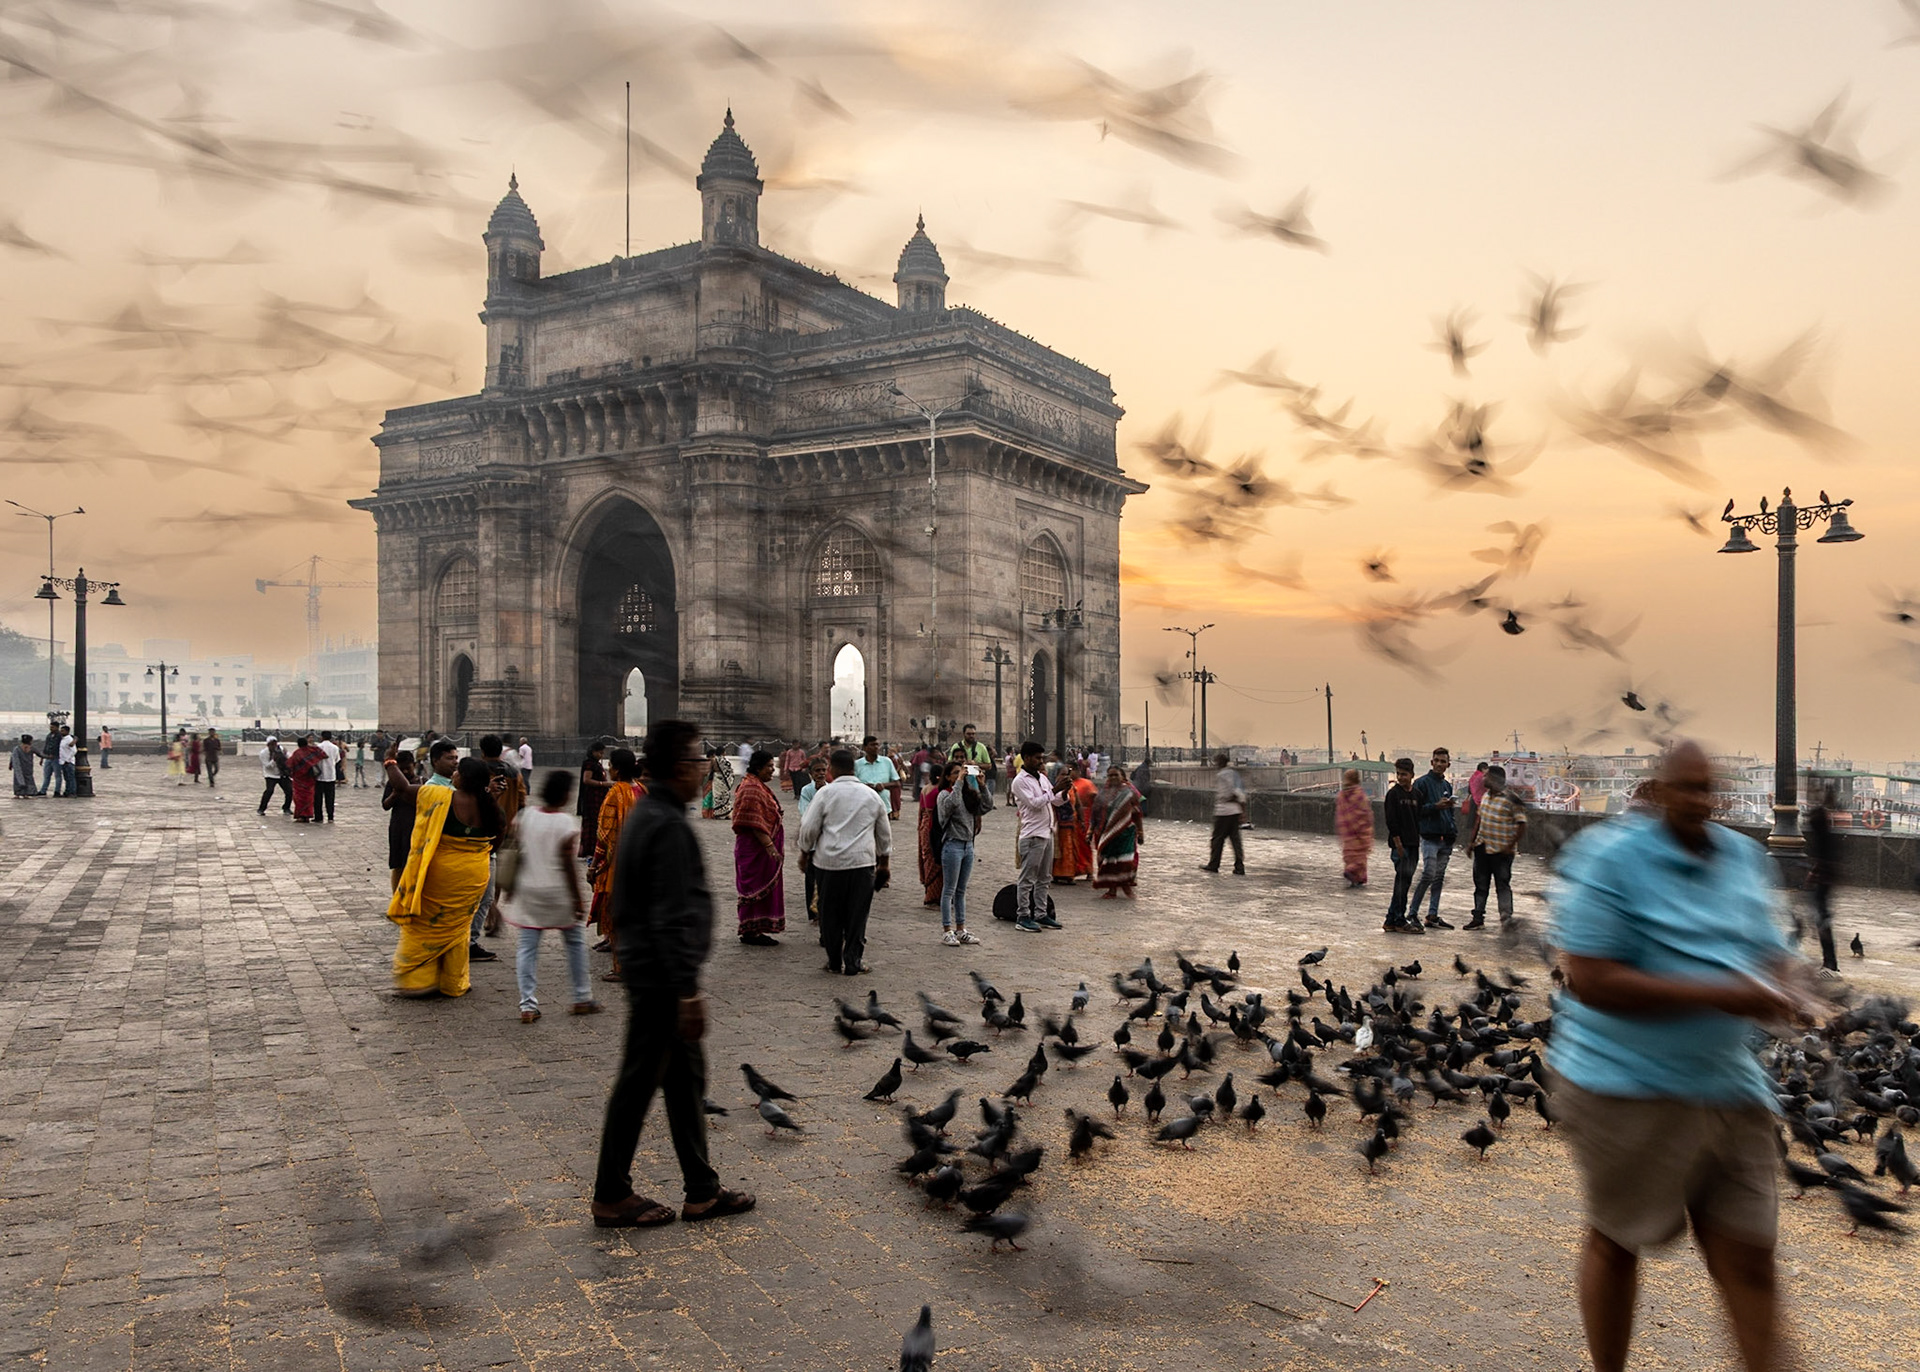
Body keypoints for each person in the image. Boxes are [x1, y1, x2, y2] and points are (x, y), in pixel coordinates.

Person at [1548, 740, 1817, 1372]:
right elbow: (1590, 979)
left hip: (1727, 1086)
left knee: (1749, 1258)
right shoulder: (1607, 859)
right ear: (1659, 792)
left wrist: (1792, 988)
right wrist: (1729, 994)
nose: (1700, 800)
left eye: (1707, 788)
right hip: (1622, 1086)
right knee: (1618, 1241)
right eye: (1686, 787)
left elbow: (1768, 952)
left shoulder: (1744, 859)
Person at [591, 718, 756, 1229]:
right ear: (676, 767)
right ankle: (611, 1193)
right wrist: (686, 988)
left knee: (686, 1082)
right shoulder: (663, 823)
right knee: (638, 1083)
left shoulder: (654, 813)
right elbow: (667, 914)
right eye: (698, 759)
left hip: (654, 971)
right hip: (662, 979)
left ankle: (702, 1190)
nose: (705, 768)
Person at [384, 754, 504, 999]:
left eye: (458, 770)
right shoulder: (490, 805)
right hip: (475, 874)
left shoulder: (441, 797)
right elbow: (497, 840)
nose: (455, 773)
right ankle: (452, 980)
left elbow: (402, 788)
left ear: (464, 778)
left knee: (423, 925)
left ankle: (418, 980)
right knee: (458, 929)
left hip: (443, 873)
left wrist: (390, 763)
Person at [504, 769, 597, 1024]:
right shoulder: (565, 823)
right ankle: (581, 997)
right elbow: (567, 865)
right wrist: (577, 899)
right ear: (566, 794)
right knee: (575, 943)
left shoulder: (526, 816)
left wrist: (510, 886)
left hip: (529, 890)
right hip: (558, 892)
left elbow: (513, 851)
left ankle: (527, 1005)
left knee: (527, 949)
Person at [797, 747, 891, 975]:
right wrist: (884, 863)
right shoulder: (870, 795)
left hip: (829, 863)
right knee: (857, 914)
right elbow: (884, 833)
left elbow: (809, 828)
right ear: (854, 767)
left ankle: (833, 961)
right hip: (862, 863)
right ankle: (853, 960)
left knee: (830, 914)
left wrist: (804, 852)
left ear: (832, 769)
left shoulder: (825, 794)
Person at [589, 748, 646, 979]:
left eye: (610, 765)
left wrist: (594, 866)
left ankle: (621, 967)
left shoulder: (615, 794)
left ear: (618, 768)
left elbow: (605, 835)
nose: (607, 769)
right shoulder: (642, 789)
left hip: (619, 866)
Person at [731, 749, 787, 946]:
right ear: (758, 767)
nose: (772, 770)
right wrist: (770, 847)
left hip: (758, 849)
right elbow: (752, 821)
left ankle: (757, 928)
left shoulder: (756, 785)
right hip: (755, 850)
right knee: (753, 888)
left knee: (759, 889)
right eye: (769, 767)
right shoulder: (751, 789)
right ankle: (751, 931)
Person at [1464, 764, 1526, 928]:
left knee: (1502, 885)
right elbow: (1479, 819)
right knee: (1480, 884)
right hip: (1482, 847)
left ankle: (1506, 918)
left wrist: (1510, 846)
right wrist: (1471, 842)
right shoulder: (1485, 797)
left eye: (1486, 776)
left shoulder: (1512, 799)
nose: (1483, 778)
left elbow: (1521, 824)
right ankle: (1478, 917)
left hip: (1502, 851)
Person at [1009, 741, 1060, 933]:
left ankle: (1041, 913)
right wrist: (1054, 791)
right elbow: (1035, 803)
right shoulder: (1019, 781)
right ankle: (1022, 915)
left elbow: (1055, 799)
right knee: (1028, 878)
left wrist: (1064, 790)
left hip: (1046, 833)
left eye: (1042, 757)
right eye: (1038, 758)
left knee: (1044, 877)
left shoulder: (1042, 778)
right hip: (1032, 835)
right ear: (1027, 758)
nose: (1041, 761)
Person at [935, 759, 986, 944]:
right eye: (956, 772)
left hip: (968, 845)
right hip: (952, 845)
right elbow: (951, 806)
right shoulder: (944, 795)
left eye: (962, 772)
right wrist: (958, 783)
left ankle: (961, 928)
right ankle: (947, 929)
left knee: (961, 890)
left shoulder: (968, 794)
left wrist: (982, 786)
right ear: (948, 777)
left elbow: (986, 806)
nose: (960, 775)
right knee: (949, 889)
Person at [1408, 747, 1457, 929]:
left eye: (1442, 761)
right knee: (1428, 874)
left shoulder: (1446, 785)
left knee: (1439, 877)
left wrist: (1452, 828)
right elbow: (1416, 811)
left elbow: (1451, 811)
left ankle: (1432, 914)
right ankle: (1412, 913)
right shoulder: (1421, 784)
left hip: (1446, 837)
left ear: (1447, 765)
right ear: (1431, 762)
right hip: (1429, 837)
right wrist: (1435, 807)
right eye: (1436, 760)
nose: (1439, 764)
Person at [1382, 758, 1424, 934]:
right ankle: (1399, 920)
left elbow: (1420, 817)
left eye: (1404, 774)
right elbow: (1391, 822)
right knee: (1401, 883)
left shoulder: (1417, 795)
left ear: (1412, 775)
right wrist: (1398, 845)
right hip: (1401, 845)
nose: (1400, 777)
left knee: (1404, 883)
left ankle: (1391, 919)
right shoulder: (1393, 795)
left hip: (1413, 843)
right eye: (1398, 774)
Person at [1090, 765, 1145, 899]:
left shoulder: (1129, 793)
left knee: (1125, 862)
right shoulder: (1102, 793)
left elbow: (1137, 813)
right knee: (1108, 861)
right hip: (1106, 833)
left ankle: (1127, 888)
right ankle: (1111, 890)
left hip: (1125, 833)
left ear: (1122, 777)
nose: (1113, 778)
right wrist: (1090, 831)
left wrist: (1140, 832)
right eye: (1110, 775)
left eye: (1116, 775)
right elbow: (1095, 814)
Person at [1804, 786, 1841, 975]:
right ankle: (1830, 961)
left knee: (1821, 919)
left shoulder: (1820, 820)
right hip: (1825, 877)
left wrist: (1814, 873)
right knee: (1821, 918)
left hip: (1823, 878)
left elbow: (1822, 854)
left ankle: (1830, 963)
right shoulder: (1826, 821)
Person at [1050, 760, 1096, 885]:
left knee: (1074, 848)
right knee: (1058, 850)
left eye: (1069, 772)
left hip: (1074, 822)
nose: (1066, 776)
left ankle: (1073, 873)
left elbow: (1082, 804)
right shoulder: (1053, 788)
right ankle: (1057, 874)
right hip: (1057, 824)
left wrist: (1083, 820)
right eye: (1063, 774)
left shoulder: (1083, 784)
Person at [1200, 753, 1247, 875]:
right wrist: (1242, 809)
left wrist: (1229, 799)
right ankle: (1239, 866)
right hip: (1235, 811)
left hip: (1223, 811)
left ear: (1220, 763)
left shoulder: (1221, 775)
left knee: (1217, 840)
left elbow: (1231, 792)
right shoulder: (1234, 773)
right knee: (1235, 841)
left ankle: (1214, 864)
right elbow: (1241, 793)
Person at [796, 755, 830, 925]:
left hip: (828, 841)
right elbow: (805, 813)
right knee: (811, 878)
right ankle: (814, 913)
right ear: (811, 773)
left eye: (823, 770)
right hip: (813, 841)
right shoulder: (807, 791)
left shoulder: (832, 790)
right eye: (817, 771)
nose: (821, 774)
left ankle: (827, 911)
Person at [381, 749, 419, 891]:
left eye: (408, 769)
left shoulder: (422, 782)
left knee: (413, 862)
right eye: (401, 770)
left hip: (416, 828)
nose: (405, 772)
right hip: (398, 827)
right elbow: (385, 805)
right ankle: (396, 896)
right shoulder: (393, 783)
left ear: (414, 765)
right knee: (397, 864)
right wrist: (395, 794)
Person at [1336, 768, 1373, 888]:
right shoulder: (1359, 794)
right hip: (1360, 832)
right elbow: (1364, 813)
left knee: (1350, 854)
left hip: (1347, 832)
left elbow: (1341, 813)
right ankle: (1355, 873)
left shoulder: (1342, 795)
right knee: (1360, 856)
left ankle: (1354, 874)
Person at [853, 734, 901, 821]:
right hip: (863, 808)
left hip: (884, 807)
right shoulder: (857, 764)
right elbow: (853, 785)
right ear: (864, 747)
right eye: (872, 745)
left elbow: (897, 783)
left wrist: (883, 785)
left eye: (877, 745)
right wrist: (866, 787)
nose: (876, 747)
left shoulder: (887, 762)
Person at [578, 741, 611, 863]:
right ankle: (589, 849)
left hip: (598, 797)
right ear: (593, 752)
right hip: (592, 798)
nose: (601, 755)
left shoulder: (595, 764)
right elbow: (586, 780)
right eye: (600, 752)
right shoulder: (589, 764)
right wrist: (604, 784)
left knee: (597, 821)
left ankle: (595, 848)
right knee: (592, 823)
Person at [917, 774, 945, 907]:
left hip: (924, 823)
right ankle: (933, 895)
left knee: (927, 857)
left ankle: (929, 889)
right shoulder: (939, 791)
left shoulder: (924, 789)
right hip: (934, 825)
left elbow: (920, 811)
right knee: (935, 859)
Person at [953, 724, 996, 806]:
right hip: (959, 781)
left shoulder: (981, 747)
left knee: (976, 809)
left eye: (973, 734)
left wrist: (976, 764)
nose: (971, 736)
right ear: (963, 734)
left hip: (975, 783)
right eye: (969, 734)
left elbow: (989, 765)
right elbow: (949, 763)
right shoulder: (956, 746)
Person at [286, 735, 325, 822]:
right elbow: (323, 754)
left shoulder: (297, 753)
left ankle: (301, 815)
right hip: (310, 779)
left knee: (299, 799)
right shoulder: (312, 751)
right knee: (309, 798)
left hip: (299, 780)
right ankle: (307, 815)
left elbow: (289, 765)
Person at [258, 736, 292, 814]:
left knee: (289, 791)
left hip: (282, 773)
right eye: (271, 744)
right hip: (270, 775)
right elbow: (267, 766)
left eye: (275, 744)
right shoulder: (264, 753)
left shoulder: (281, 749)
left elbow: (289, 757)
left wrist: (286, 754)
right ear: (268, 745)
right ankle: (262, 808)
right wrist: (274, 760)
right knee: (269, 791)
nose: (274, 746)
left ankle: (286, 808)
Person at [315, 730, 341, 820]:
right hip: (331, 775)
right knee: (330, 798)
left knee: (318, 798)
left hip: (319, 776)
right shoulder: (335, 748)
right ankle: (330, 816)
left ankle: (318, 816)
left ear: (321, 737)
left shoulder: (318, 747)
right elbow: (337, 760)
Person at [37, 725, 60, 796]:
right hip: (47, 758)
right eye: (50, 727)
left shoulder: (59, 736)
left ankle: (57, 791)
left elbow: (58, 747)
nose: (51, 728)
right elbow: (46, 746)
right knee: (46, 775)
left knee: (58, 776)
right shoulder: (49, 736)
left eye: (53, 727)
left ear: (57, 727)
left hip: (56, 758)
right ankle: (43, 790)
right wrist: (42, 758)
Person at [57, 727, 76, 796]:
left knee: (71, 778)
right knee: (66, 778)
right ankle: (67, 791)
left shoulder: (69, 739)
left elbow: (74, 750)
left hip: (68, 762)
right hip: (62, 761)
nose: (61, 732)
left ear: (67, 731)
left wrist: (67, 760)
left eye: (63, 731)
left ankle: (72, 792)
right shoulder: (63, 739)